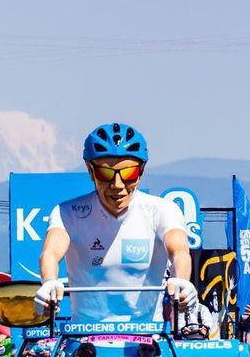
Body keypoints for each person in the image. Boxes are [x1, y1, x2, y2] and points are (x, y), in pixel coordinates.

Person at [35, 122, 196, 323]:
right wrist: (49, 282)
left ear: (142, 170)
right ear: (90, 171)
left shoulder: (163, 210)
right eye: (106, 174)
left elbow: (179, 250)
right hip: (84, 338)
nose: (117, 185)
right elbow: (50, 252)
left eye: (129, 174)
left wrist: (182, 280)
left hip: (146, 339)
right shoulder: (68, 212)